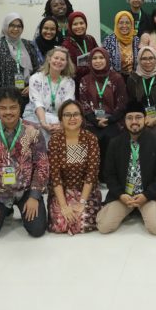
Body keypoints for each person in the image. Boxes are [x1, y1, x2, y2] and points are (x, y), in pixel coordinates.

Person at [0, 87, 49, 241]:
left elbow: (42, 165)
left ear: (20, 107)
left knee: (37, 229)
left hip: (26, 190)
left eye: (13, 107)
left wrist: (34, 196)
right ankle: (5, 210)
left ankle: (24, 205)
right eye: (3, 108)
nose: (8, 112)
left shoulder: (33, 131)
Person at [96, 101, 156, 235]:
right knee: (104, 226)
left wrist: (146, 196)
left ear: (145, 118)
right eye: (130, 118)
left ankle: (148, 209)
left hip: (148, 196)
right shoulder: (115, 143)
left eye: (138, 117)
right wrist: (121, 195)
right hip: (123, 197)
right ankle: (132, 209)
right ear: (124, 121)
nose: (134, 121)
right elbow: (109, 174)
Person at [47, 100, 102, 234]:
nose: (72, 118)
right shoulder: (55, 141)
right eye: (67, 115)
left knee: (82, 221)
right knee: (60, 224)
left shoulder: (90, 139)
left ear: (82, 118)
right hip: (63, 191)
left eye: (76, 114)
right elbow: (55, 176)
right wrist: (64, 206)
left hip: (86, 192)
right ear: (61, 119)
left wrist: (82, 202)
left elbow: (91, 174)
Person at [79, 48, 128, 178]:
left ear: (107, 59)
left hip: (113, 120)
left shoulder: (117, 78)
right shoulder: (85, 80)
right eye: (94, 58)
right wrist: (95, 121)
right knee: (91, 138)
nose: (98, 61)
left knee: (111, 138)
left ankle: (109, 176)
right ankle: (92, 176)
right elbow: (84, 104)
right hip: (91, 121)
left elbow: (122, 103)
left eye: (101, 58)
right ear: (90, 61)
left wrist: (110, 120)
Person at [126, 46, 156, 169]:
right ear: (139, 60)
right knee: (141, 133)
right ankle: (145, 168)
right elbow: (131, 102)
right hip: (139, 117)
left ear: (155, 59)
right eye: (144, 59)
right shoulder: (133, 79)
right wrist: (142, 118)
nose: (148, 61)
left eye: (151, 58)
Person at [22, 46, 76, 143]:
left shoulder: (69, 82)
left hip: (59, 118)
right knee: (39, 132)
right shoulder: (36, 78)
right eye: (56, 58)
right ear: (49, 59)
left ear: (66, 63)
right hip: (35, 116)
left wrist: (62, 124)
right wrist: (44, 123)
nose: (58, 61)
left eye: (62, 59)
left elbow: (68, 106)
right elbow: (37, 103)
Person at [0, 13, 40, 100]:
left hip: (28, 94)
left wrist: (31, 87)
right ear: (6, 26)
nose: (16, 29)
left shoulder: (28, 44)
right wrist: (3, 94)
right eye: (12, 25)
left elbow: (37, 69)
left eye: (19, 26)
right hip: (6, 96)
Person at [61, 11, 99, 81]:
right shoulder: (66, 45)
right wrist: (92, 67)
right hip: (76, 82)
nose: (79, 26)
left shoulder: (90, 39)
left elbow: (99, 57)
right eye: (75, 24)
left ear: (86, 24)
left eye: (81, 23)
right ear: (70, 26)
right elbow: (69, 69)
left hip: (94, 81)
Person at [101, 10, 140, 76]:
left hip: (134, 78)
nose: (124, 26)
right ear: (116, 24)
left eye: (127, 23)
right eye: (121, 23)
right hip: (114, 78)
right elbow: (105, 63)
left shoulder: (136, 40)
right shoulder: (108, 40)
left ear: (132, 24)